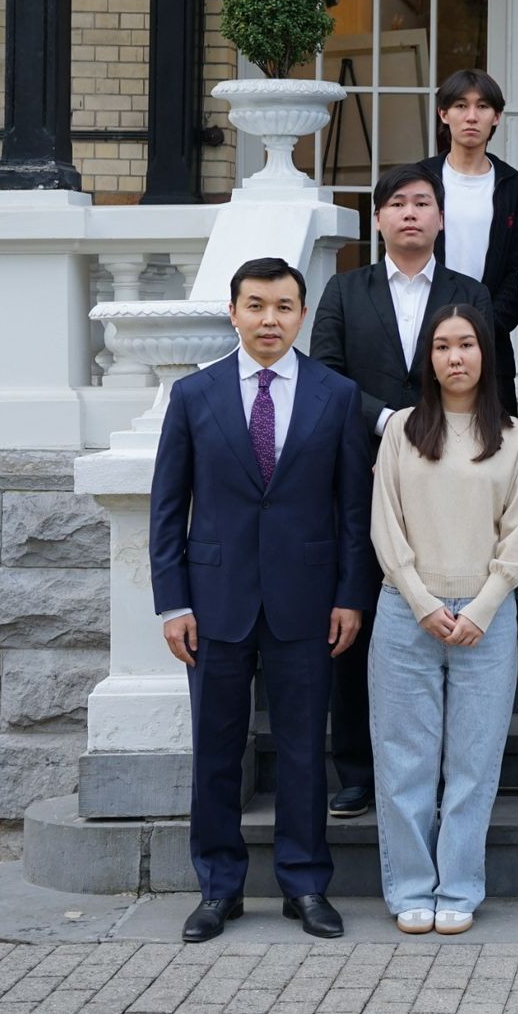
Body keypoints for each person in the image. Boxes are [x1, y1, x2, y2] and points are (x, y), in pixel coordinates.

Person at [151, 256, 377, 944]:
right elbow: (168, 508)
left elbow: (353, 509)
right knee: (217, 750)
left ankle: (304, 884)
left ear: (302, 314)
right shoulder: (194, 395)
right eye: (255, 305)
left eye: (283, 306)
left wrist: (350, 595)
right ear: (233, 313)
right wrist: (172, 604)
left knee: (304, 750)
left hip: (307, 602)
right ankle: (218, 888)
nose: (269, 319)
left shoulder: (338, 395)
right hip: (213, 603)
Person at [309, 165, 495, 821]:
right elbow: (326, 375)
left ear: (441, 218)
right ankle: (357, 771)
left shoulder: (469, 292)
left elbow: (488, 374)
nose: (410, 213)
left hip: (457, 484)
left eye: (422, 203)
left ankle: (444, 774)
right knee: (356, 620)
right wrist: (386, 420)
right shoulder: (344, 290)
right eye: (397, 204)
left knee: (451, 621)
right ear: (379, 219)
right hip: (362, 475)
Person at [368, 304, 518, 937]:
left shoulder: (512, 436)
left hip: (486, 620)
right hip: (406, 611)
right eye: (442, 346)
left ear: (486, 354)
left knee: (473, 762)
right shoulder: (402, 430)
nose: (455, 357)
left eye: (466, 344)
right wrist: (422, 602)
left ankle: (459, 886)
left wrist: (483, 607)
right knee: (404, 761)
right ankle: (411, 886)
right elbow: (386, 525)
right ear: (429, 359)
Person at [418, 69, 518, 415]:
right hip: (424, 333)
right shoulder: (420, 179)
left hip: (491, 339)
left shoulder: (514, 186)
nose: (471, 116)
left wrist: (483, 326)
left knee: (493, 433)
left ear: (496, 116)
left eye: (482, 107)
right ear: (443, 114)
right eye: (460, 106)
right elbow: (403, 253)